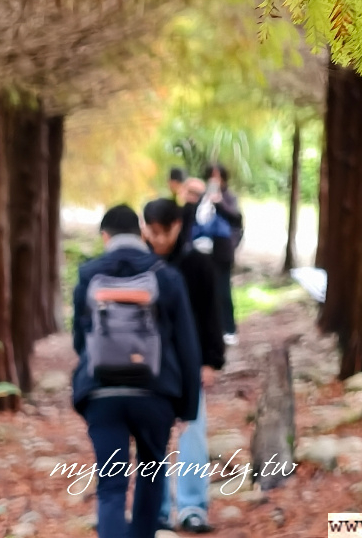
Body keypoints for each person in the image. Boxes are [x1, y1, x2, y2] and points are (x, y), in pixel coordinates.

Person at [71, 204, 202, 538]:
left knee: (111, 486)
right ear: (141, 233)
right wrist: (188, 408)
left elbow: (79, 340)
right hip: (155, 394)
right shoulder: (165, 275)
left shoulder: (88, 275)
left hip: (102, 394)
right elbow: (187, 345)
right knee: (151, 475)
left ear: (105, 236)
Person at [143, 198, 225, 535]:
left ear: (177, 226)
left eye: (163, 232)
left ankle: (192, 507)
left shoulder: (198, 265)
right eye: (152, 232)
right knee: (152, 440)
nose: (158, 239)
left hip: (190, 364)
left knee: (192, 436)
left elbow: (211, 315)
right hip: (150, 366)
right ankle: (158, 510)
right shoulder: (142, 264)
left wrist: (211, 361)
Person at [203, 164, 243, 345]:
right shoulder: (204, 197)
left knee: (224, 291)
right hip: (205, 252)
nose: (215, 180)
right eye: (211, 177)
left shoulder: (229, 198)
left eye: (218, 177)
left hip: (223, 252)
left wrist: (219, 203)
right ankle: (213, 329)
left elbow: (236, 219)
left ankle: (230, 328)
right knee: (208, 292)